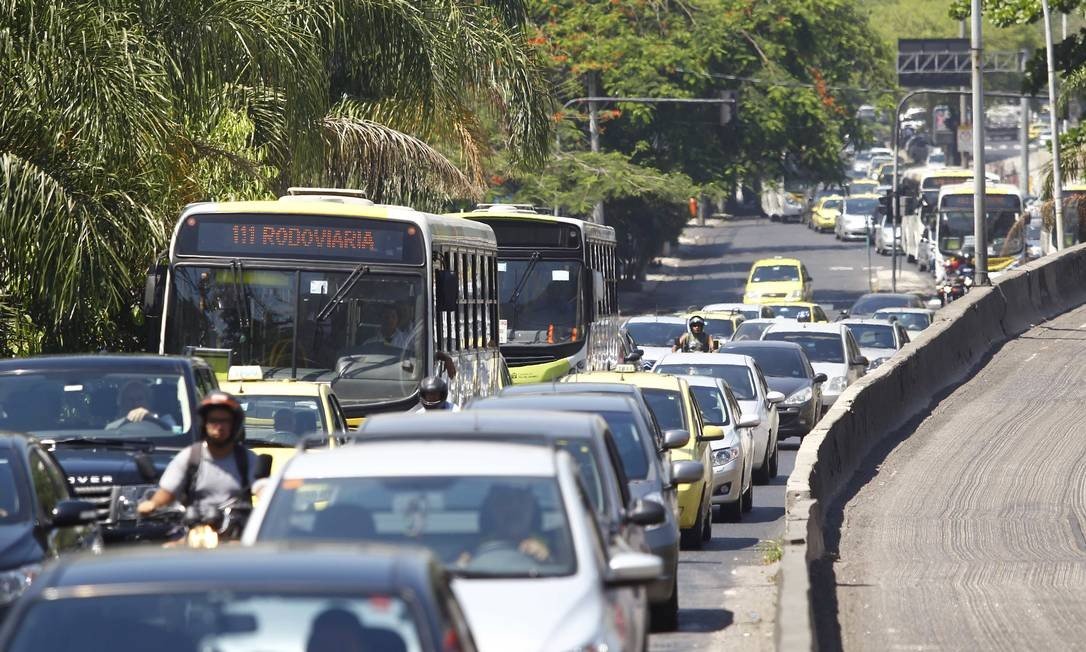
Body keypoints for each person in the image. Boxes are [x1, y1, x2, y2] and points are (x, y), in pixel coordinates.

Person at [137, 391, 258, 519]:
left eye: (225, 421)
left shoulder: (246, 459)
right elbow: (168, 491)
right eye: (213, 421)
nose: (219, 427)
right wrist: (153, 503)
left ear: (234, 425)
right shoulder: (190, 457)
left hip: (237, 533)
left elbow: (263, 489)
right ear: (203, 424)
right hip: (196, 529)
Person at [469, 485, 550, 563]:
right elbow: (461, 569)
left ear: (534, 509)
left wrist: (546, 558)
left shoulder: (555, 544)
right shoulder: (477, 547)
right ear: (491, 511)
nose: (513, 506)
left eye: (521, 499)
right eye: (504, 500)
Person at [106, 380, 177, 430]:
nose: (136, 403)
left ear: (148, 401)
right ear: (122, 403)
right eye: (130, 399)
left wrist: (151, 417)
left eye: (140, 399)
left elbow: (175, 434)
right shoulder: (114, 425)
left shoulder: (165, 419)